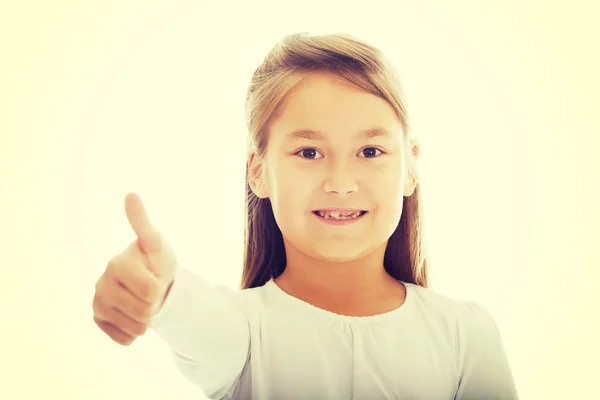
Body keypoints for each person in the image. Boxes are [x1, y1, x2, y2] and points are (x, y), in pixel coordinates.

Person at [92, 32, 519, 399]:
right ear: (258, 173)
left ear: (410, 166)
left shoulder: (466, 335)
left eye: (370, 151)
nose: (340, 181)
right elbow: (194, 316)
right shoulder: (243, 335)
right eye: (309, 152)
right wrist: (163, 289)